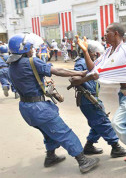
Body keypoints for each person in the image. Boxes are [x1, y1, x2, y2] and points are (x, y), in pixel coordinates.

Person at [7, 33, 100, 173]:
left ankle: (50, 157)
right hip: (39, 108)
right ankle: (83, 161)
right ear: (24, 48)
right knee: (63, 132)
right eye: (30, 47)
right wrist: (81, 74)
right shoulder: (31, 61)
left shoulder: (11, 66)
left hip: (26, 109)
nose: (32, 49)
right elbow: (57, 70)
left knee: (47, 131)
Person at [71, 22, 126, 167]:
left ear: (116, 33)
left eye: (107, 32)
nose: (104, 35)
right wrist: (85, 51)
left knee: (117, 123)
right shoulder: (108, 52)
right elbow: (93, 69)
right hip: (123, 93)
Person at [73, 40, 126, 158]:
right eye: (94, 53)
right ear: (87, 52)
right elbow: (75, 79)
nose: (95, 55)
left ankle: (89, 146)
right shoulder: (81, 62)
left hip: (92, 97)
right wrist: (88, 77)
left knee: (97, 122)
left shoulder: (88, 62)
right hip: (87, 98)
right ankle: (115, 146)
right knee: (103, 122)